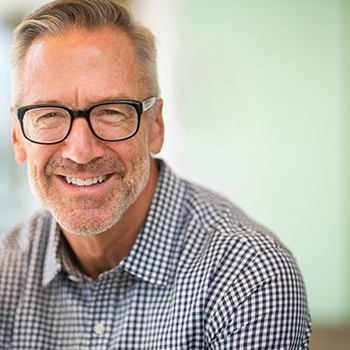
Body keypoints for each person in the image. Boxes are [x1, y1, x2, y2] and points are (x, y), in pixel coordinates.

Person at [0, 0, 311, 348]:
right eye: (49, 115)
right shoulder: (4, 273)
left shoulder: (249, 274)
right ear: (18, 135)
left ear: (156, 126)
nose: (81, 150)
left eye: (112, 112)